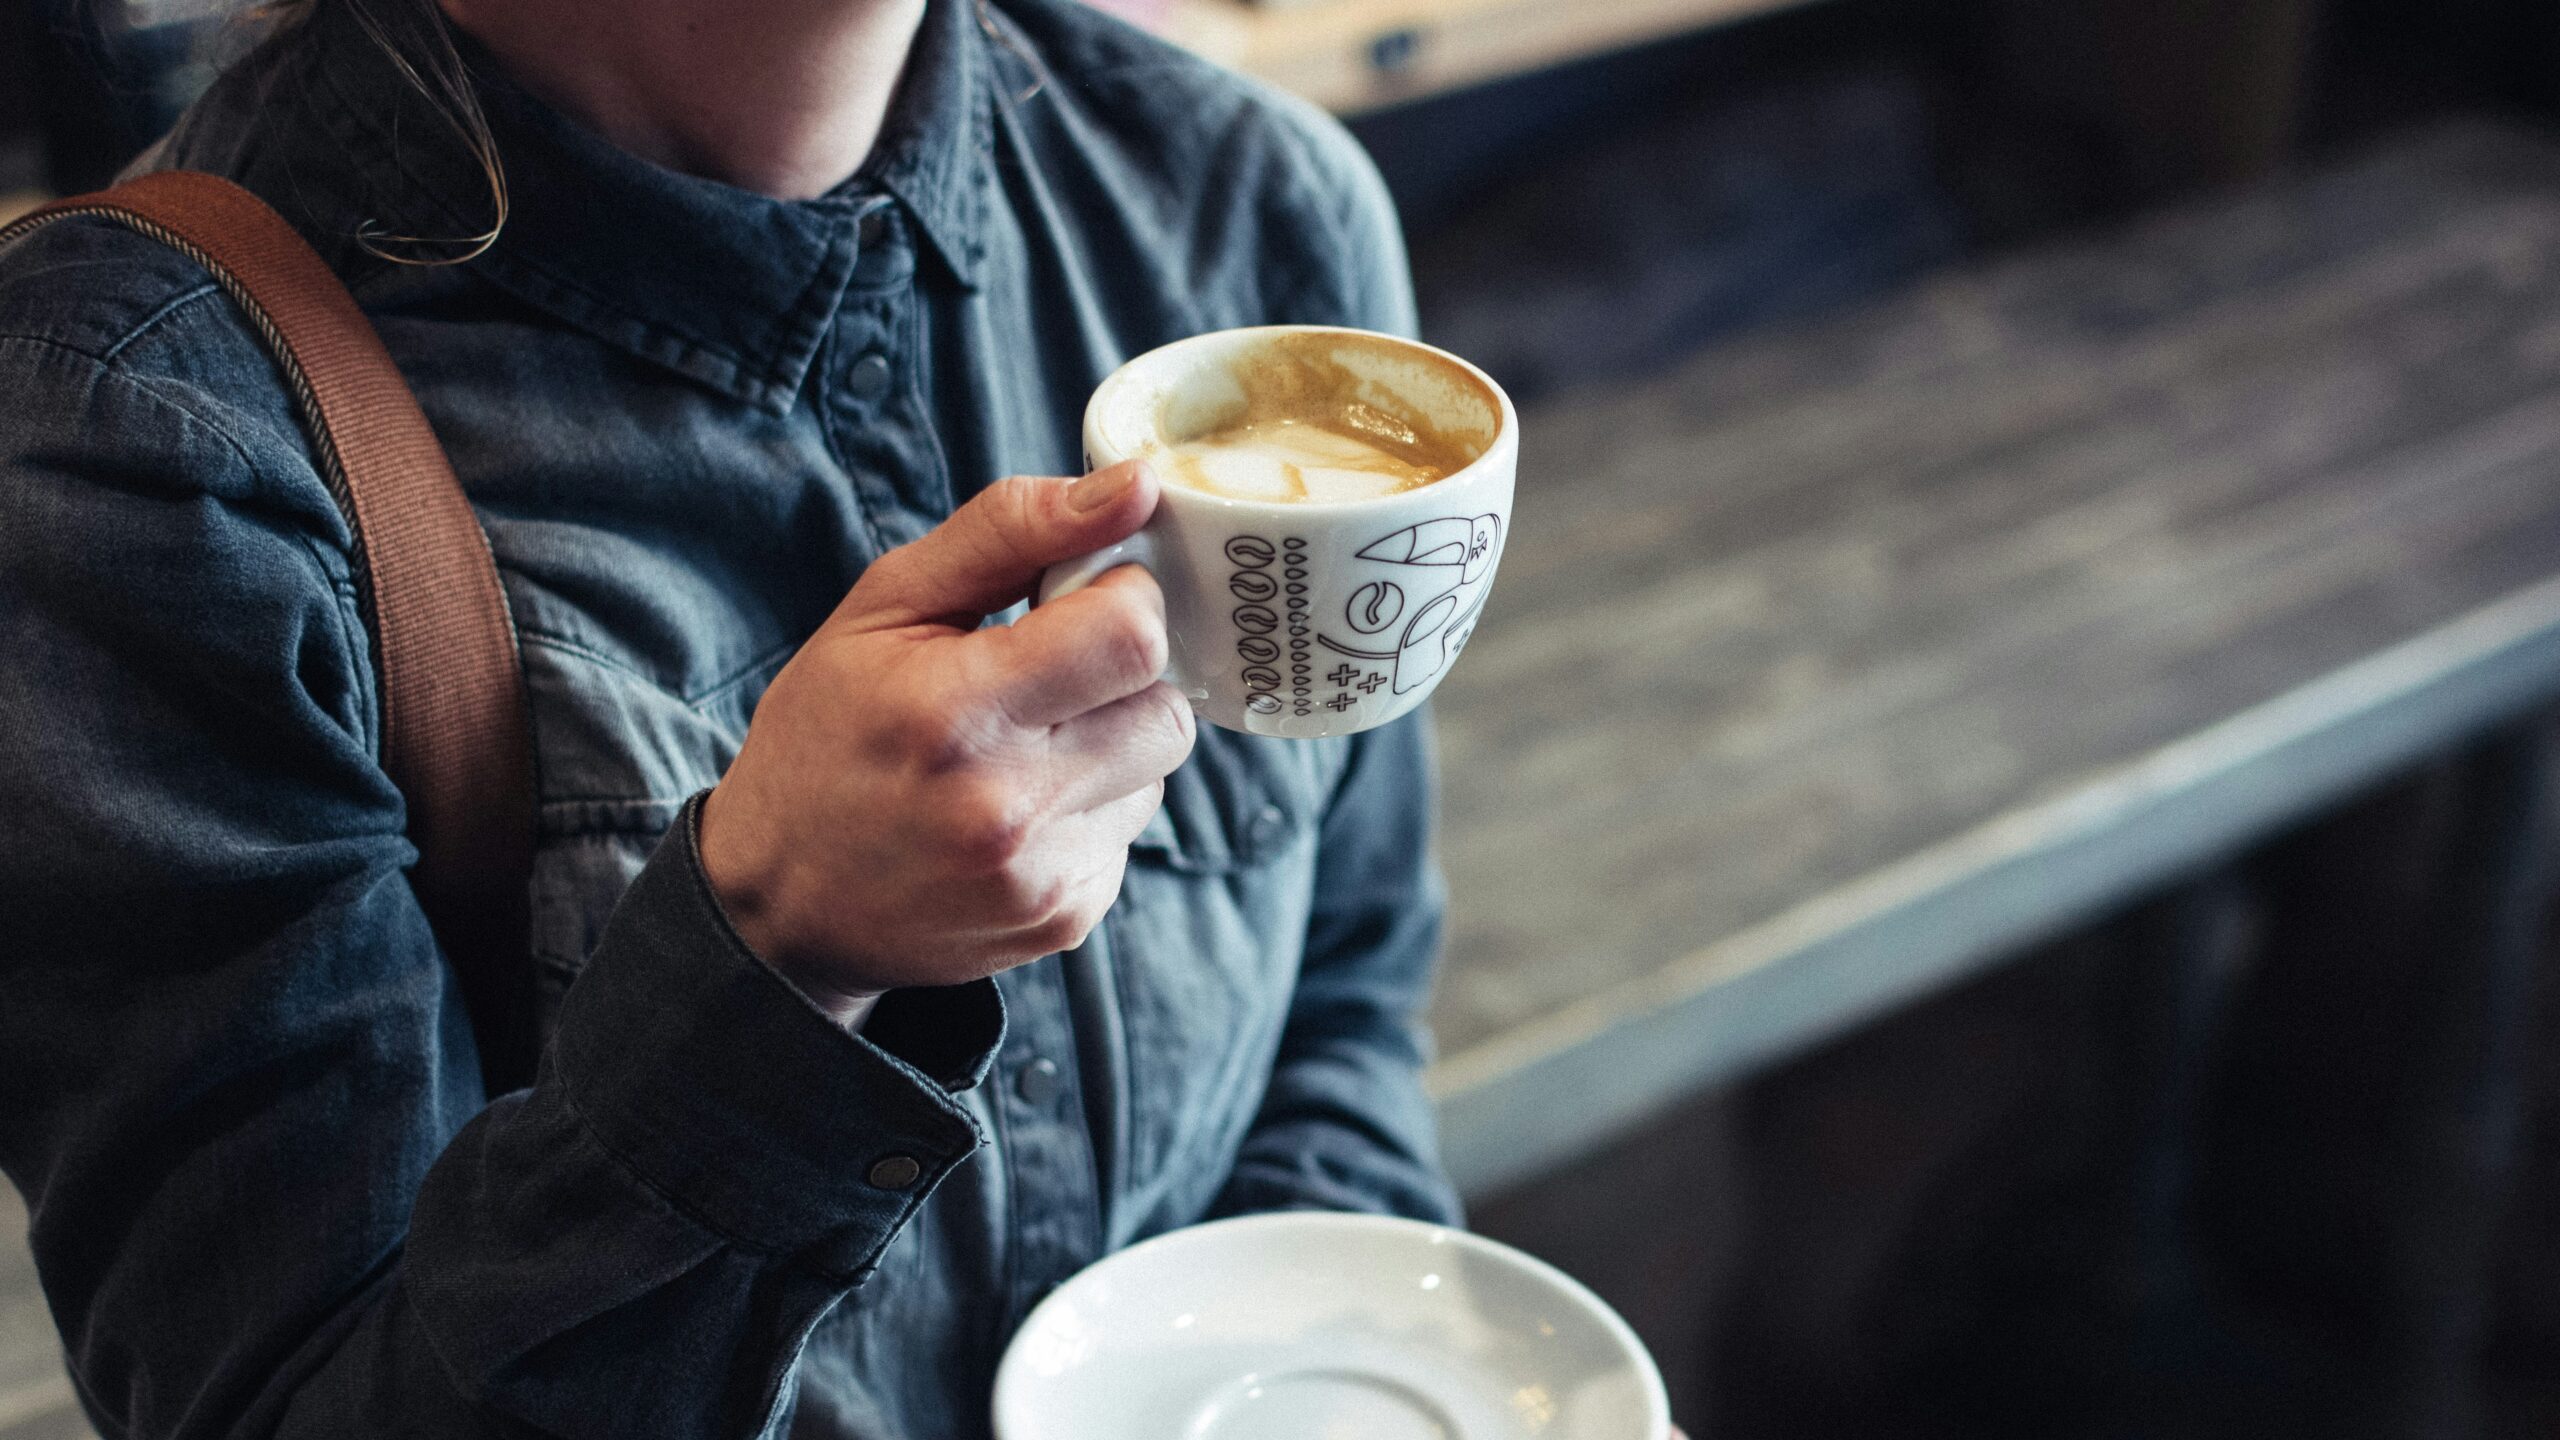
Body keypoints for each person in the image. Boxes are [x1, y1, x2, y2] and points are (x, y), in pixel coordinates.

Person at [0, 1, 1461, 1434]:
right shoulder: (134, 439)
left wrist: (1335, 1381)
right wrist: (776, 963)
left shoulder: (1246, 204)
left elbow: (1346, 997)